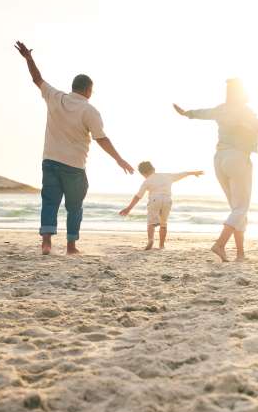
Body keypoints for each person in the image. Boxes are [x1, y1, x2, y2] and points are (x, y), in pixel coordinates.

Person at [14, 41, 134, 256]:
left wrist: (29, 59)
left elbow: (37, 79)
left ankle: (46, 243)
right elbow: (101, 138)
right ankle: (71, 246)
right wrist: (119, 159)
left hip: (49, 160)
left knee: (49, 202)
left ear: (73, 87)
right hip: (74, 166)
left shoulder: (55, 97)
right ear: (88, 90)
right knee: (74, 206)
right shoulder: (89, 110)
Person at [172, 79, 258, 262]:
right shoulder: (243, 111)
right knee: (241, 208)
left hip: (219, 159)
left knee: (236, 210)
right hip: (237, 158)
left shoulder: (221, 109)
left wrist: (186, 113)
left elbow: (202, 113)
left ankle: (240, 253)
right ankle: (220, 244)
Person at [118, 162, 203, 250]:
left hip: (155, 200)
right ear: (153, 169)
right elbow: (182, 174)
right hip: (167, 200)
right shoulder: (167, 176)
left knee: (151, 222)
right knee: (163, 223)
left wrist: (129, 208)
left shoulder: (147, 181)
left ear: (143, 174)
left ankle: (151, 240)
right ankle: (161, 245)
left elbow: (138, 196)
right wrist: (193, 173)